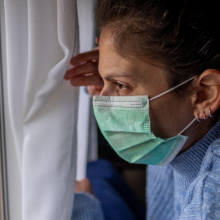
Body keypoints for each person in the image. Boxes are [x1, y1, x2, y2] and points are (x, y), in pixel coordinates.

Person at [65, 0, 220, 219]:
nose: (101, 101)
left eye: (121, 85)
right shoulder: (177, 130)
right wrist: (114, 75)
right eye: (103, 80)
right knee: (97, 173)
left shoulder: (210, 202)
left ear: (204, 94)